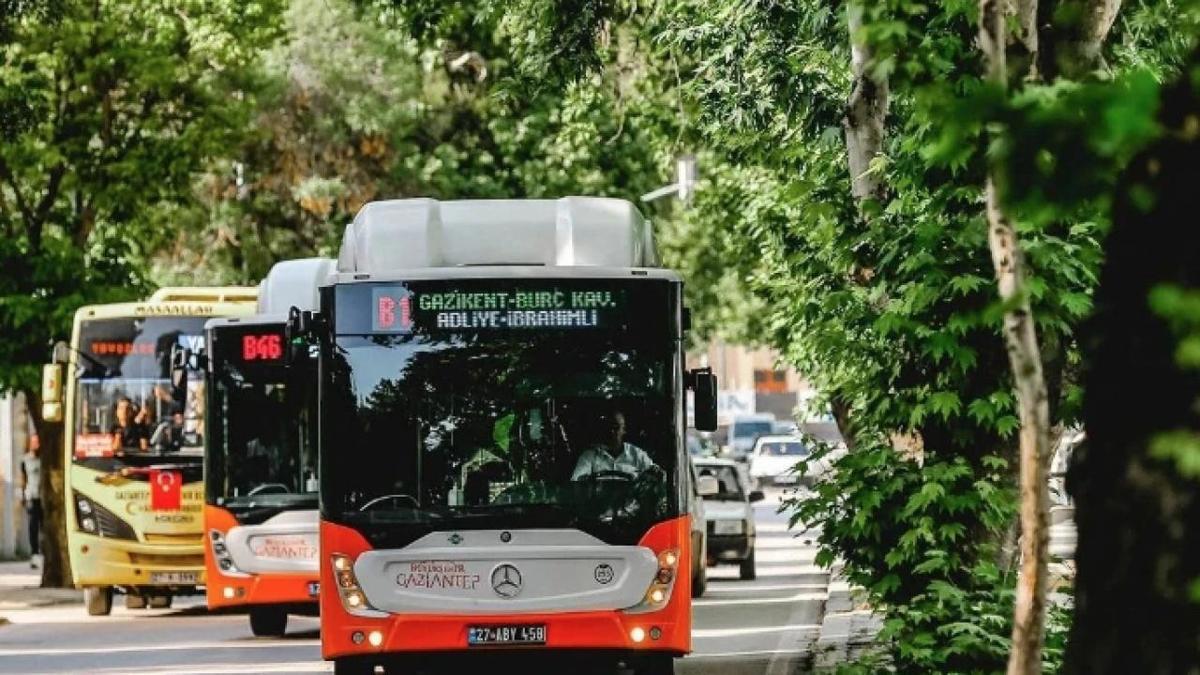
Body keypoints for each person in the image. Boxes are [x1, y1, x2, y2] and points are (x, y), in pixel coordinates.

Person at [570, 409, 658, 481]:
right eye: (608, 427)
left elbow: (657, 474)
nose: (611, 431)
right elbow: (576, 482)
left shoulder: (637, 454)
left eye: (616, 427)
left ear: (624, 430)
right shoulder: (589, 456)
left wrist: (652, 475)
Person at [19, 429, 43, 569]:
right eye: (33, 442)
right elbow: (23, 479)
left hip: (43, 498)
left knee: (45, 527)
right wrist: (23, 495)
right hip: (31, 496)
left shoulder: (45, 459)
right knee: (33, 527)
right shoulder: (25, 460)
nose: (36, 445)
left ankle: (44, 553)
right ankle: (34, 554)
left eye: (38, 442)